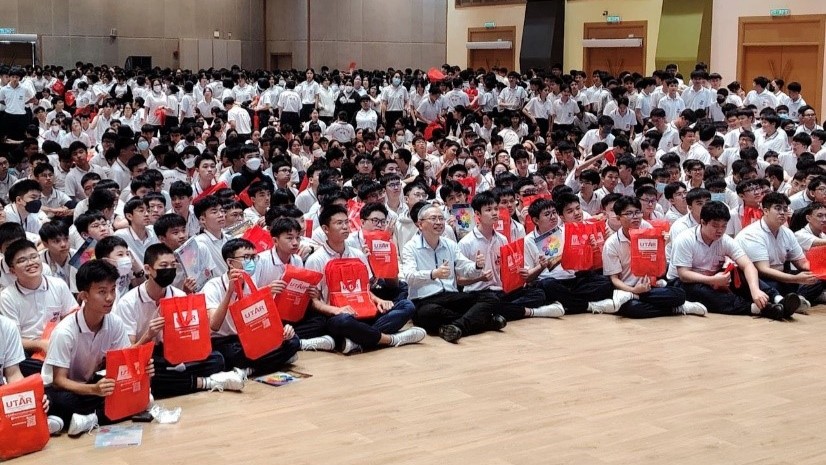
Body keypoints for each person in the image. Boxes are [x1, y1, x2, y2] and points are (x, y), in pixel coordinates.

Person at [113, 243, 244, 398]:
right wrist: (148, 335)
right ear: (148, 269)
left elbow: (194, 339)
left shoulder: (179, 296)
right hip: (148, 356)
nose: (169, 269)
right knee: (149, 372)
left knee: (216, 359)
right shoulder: (128, 302)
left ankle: (181, 380)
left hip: (175, 352)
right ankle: (204, 382)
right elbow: (129, 353)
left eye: (173, 265)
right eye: (164, 266)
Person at [41, 260, 154, 436]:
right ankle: (78, 416)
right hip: (60, 389)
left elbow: (126, 360)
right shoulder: (65, 331)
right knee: (62, 402)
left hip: (91, 383)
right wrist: (94, 390)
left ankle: (85, 420)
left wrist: (143, 368)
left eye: (113, 290)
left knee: (143, 398)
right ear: (84, 296)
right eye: (102, 292)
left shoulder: (114, 322)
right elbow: (59, 381)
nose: (110, 298)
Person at [304, 205, 424, 354]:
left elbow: (365, 290)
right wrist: (337, 310)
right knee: (343, 322)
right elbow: (314, 302)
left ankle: (356, 340)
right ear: (325, 229)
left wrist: (379, 301)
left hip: (365, 309)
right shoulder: (315, 260)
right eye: (339, 223)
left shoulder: (358, 254)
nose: (345, 226)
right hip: (338, 315)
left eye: (346, 222)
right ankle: (391, 339)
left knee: (407, 306)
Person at [669, 201, 799, 320]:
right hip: (684, 282)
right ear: (703, 222)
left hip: (715, 278)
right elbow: (684, 274)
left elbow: (748, 265)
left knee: (740, 273)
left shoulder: (725, 240)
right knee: (704, 292)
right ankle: (758, 309)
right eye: (715, 226)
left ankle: (778, 299)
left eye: (724, 226)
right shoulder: (685, 239)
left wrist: (755, 290)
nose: (720, 230)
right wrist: (712, 280)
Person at [402, 201, 503, 343]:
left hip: (451, 296)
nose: (439, 222)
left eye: (441, 218)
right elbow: (409, 277)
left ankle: (457, 327)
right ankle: (484, 322)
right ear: (420, 224)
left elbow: (465, 267)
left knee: (491, 298)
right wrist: (433, 274)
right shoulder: (410, 248)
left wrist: (476, 266)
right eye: (433, 219)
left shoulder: (450, 244)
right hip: (424, 300)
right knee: (427, 314)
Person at [203, 238, 300, 374]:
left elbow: (261, 322)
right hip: (224, 341)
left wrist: (283, 331)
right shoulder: (213, 286)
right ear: (230, 262)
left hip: (248, 337)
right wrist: (229, 292)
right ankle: (273, 362)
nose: (252, 262)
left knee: (293, 341)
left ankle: (251, 368)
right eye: (246, 257)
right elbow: (214, 325)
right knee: (227, 356)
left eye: (254, 257)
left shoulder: (251, 284)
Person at [602, 196, 705, 318]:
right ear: (619, 217)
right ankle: (675, 308)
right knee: (634, 308)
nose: (635, 217)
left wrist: (662, 246)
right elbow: (614, 279)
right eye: (629, 213)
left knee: (679, 294)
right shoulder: (612, 244)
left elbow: (659, 266)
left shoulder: (647, 228)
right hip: (628, 288)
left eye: (638, 212)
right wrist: (634, 290)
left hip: (651, 288)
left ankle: (637, 298)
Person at [522, 198, 622, 314]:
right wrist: (541, 266)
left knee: (604, 282)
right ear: (536, 220)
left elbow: (582, 265)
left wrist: (589, 249)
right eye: (547, 214)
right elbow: (527, 278)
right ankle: (588, 306)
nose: (553, 217)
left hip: (572, 280)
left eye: (554, 212)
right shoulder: (528, 241)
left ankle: (566, 304)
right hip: (550, 281)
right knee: (546, 286)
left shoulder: (567, 231)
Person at [253, 217, 334, 352]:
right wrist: (268, 290)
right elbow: (248, 296)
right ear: (275, 241)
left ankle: (292, 340)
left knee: (320, 321)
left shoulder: (297, 260)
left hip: (289, 311)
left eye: (298, 238)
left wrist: (310, 293)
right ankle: (297, 342)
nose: (295, 243)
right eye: (289, 238)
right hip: (267, 315)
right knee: (263, 332)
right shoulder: (260, 260)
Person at [0, 239, 78, 378]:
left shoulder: (58, 285)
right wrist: (41, 344)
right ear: (12, 271)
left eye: (34, 257)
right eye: (22, 260)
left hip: (59, 341)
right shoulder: (7, 297)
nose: (30, 263)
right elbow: (13, 339)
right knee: (18, 361)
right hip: (29, 350)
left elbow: (72, 316)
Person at [736, 192, 823, 313]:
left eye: (785, 209)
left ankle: (797, 299)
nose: (782, 212)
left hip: (782, 275)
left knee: (816, 278)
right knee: (774, 286)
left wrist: (819, 270)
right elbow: (763, 269)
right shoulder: (752, 234)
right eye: (777, 208)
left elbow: (802, 262)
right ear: (766, 211)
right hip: (760, 278)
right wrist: (795, 279)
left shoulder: (787, 233)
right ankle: (792, 300)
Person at [0, 313, 64, 434]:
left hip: (2, 401)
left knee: (46, 397)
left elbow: (13, 375)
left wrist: (31, 399)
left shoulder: (7, 327)